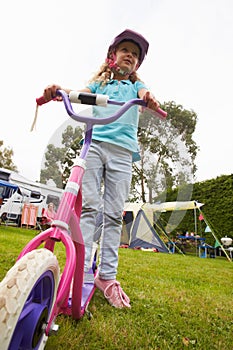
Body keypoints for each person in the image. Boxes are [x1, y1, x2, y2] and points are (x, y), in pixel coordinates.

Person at [43, 29, 160, 309]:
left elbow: (145, 92)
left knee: (113, 214)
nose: (130, 55)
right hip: (95, 145)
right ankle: (81, 273)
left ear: (137, 64)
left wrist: (149, 98)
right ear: (113, 56)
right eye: (125, 50)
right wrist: (60, 92)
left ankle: (106, 277)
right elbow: (80, 94)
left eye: (135, 54)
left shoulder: (135, 86)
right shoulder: (100, 84)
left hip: (122, 153)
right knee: (89, 208)